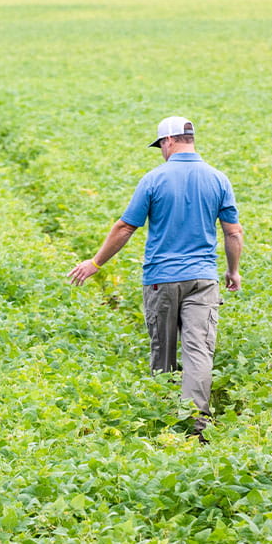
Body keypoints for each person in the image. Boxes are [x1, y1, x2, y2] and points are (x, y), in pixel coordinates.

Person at [67, 117, 243, 440]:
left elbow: (125, 227)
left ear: (169, 142)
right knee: (199, 352)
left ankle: (165, 422)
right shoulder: (219, 179)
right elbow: (233, 232)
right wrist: (232, 271)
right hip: (203, 279)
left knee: (163, 351)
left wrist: (96, 262)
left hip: (161, 279)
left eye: (161, 145)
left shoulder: (154, 180)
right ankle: (196, 428)